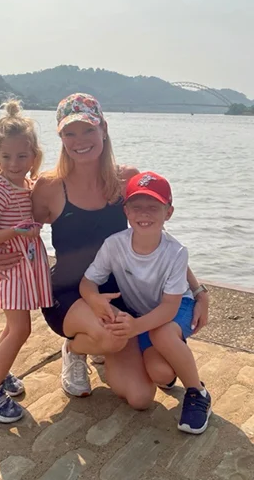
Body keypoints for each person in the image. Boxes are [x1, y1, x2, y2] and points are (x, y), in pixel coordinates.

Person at [0, 93, 210, 410]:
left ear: (103, 128)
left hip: (117, 294)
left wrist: (197, 289)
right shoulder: (48, 187)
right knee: (112, 336)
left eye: (88, 129)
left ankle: (96, 343)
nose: (80, 140)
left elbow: (156, 237)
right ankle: (75, 350)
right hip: (68, 292)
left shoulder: (126, 178)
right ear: (60, 137)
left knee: (141, 398)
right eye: (69, 133)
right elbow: (8, 222)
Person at [81, 171, 211, 433]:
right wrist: (94, 299)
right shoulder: (114, 244)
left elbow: (169, 307)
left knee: (163, 334)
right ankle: (170, 360)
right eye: (137, 207)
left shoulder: (176, 252)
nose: (144, 214)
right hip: (141, 314)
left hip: (174, 309)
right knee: (160, 374)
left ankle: (197, 393)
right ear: (126, 210)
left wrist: (135, 327)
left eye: (154, 207)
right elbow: (88, 282)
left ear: (169, 212)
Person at [0, 100, 52, 423]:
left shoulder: (26, 185)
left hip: (24, 267)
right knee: (21, 329)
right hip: (11, 269)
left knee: (12, 327)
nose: (14, 163)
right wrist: (14, 231)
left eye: (22, 156)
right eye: (6, 157)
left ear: (33, 157)